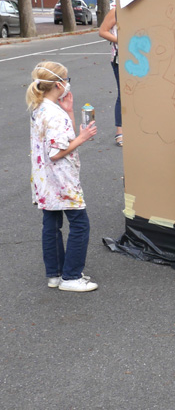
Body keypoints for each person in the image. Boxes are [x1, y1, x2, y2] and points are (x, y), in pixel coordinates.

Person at [26, 61, 99, 292]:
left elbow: (59, 141)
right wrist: (83, 137)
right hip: (62, 180)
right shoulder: (53, 115)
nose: (68, 84)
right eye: (67, 80)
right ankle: (71, 277)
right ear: (59, 84)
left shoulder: (40, 108)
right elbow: (57, 152)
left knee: (51, 224)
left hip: (44, 179)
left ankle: (55, 275)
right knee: (80, 224)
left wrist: (69, 110)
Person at [97, 8, 122, 146]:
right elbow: (103, 31)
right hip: (121, 58)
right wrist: (121, 41)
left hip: (142, 58)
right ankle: (120, 131)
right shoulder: (117, 10)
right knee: (124, 94)